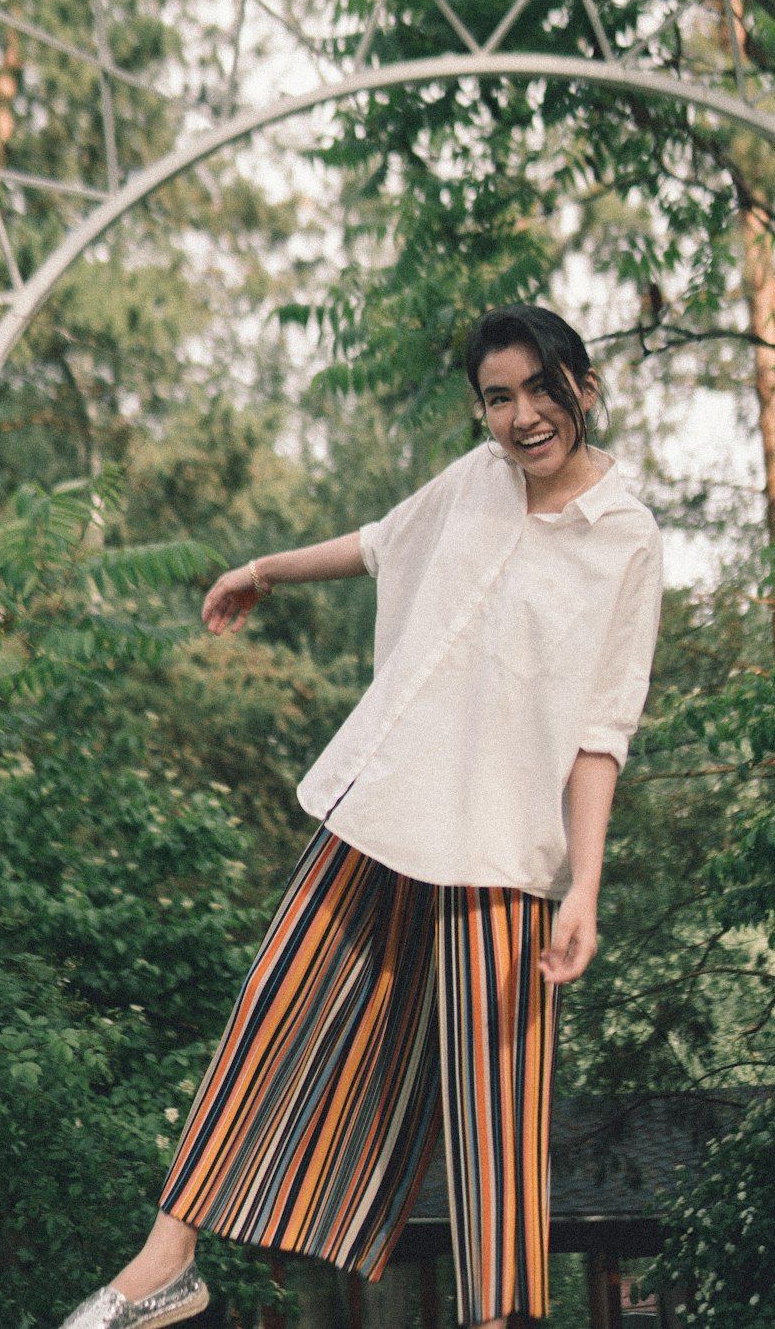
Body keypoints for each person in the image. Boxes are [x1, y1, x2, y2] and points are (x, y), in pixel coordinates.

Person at [60, 303, 663, 1329]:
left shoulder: (625, 539)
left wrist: (586, 891)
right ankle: (167, 1262)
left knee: (493, 1111)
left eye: (538, 390)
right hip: (383, 800)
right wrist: (259, 571)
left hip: (502, 850)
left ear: (583, 386)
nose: (520, 418)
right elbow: (381, 543)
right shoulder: (476, 481)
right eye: (496, 398)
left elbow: (601, 730)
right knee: (274, 1004)